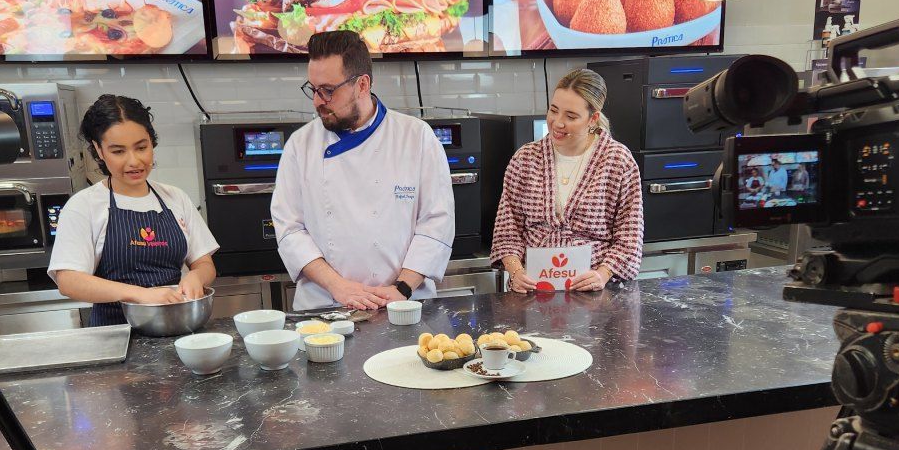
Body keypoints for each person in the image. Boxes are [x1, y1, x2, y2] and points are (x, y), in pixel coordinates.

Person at [270, 30, 455, 311]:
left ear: (362, 84)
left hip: (406, 304)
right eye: (313, 88)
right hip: (326, 305)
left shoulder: (415, 137)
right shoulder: (301, 145)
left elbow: (437, 222)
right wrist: (339, 287)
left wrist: (401, 288)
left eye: (328, 90)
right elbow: (289, 230)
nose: (318, 100)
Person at [48, 94, 218, 326]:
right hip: (114, 336)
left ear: (152, 142)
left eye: (141, 147)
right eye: (118, 151)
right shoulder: (84, 206)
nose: (134, 161)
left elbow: (204, 263)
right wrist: (141, 295)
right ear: (99, 150)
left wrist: (197, 277)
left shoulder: (174, 198)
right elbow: (69, 281)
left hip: (175, 327)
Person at [490, 69, 643, 293]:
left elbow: (630, 236)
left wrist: (601, 275)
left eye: (571, 116)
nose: (557, 123)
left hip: (595, 293)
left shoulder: (618, 161)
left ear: (593, 119)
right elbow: (507, 229)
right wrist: (516, 272)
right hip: (533, 290)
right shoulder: (525, 158)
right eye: (553, 111)